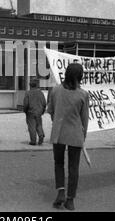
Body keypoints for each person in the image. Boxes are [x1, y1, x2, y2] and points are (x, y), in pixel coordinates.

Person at [47, 63, 89, 211]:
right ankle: (70, 200)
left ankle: (60, 192)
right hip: (75, 135)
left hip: (58, 132)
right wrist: (83, 136)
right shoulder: (83, 94)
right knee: (73, 167)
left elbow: (51, 111)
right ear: (80, 76)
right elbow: (85, 119)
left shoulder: (56, 90)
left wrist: (57, 121)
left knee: (58, 163)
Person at [23, 78, 47, 145]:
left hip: (30, 112)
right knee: (39, 124)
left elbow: (26, 104)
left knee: (32, 126)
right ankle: (41, 135)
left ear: (30, 85)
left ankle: (33, 141)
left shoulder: (28, 93)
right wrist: (42, 111)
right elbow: (44, 103)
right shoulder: (41, 93)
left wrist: (25, 111)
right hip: (39, 112)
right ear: (36, 85)